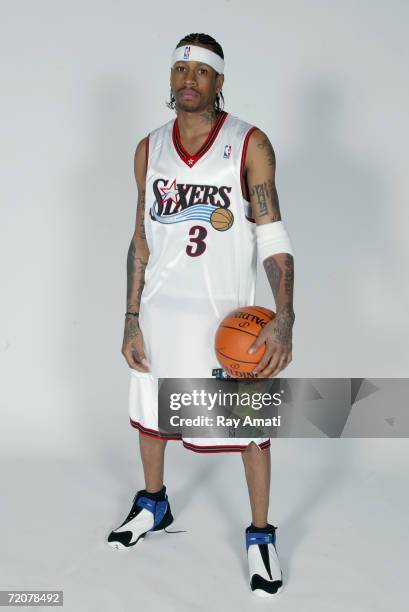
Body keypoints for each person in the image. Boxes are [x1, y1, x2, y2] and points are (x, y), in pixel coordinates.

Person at [107, 33, 295, 598]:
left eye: (202, 70)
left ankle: (260, 535)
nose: (189, 78)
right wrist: (130, 314)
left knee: (250, 432)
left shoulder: (248, 143)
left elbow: (273, 235)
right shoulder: (148, 148)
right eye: (180, 69)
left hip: (227, 324)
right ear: (171, 80)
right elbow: (140, 238)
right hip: (161, 316)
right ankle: (154, 505)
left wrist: (284, 314)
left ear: (219, 81)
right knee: (151, 420)